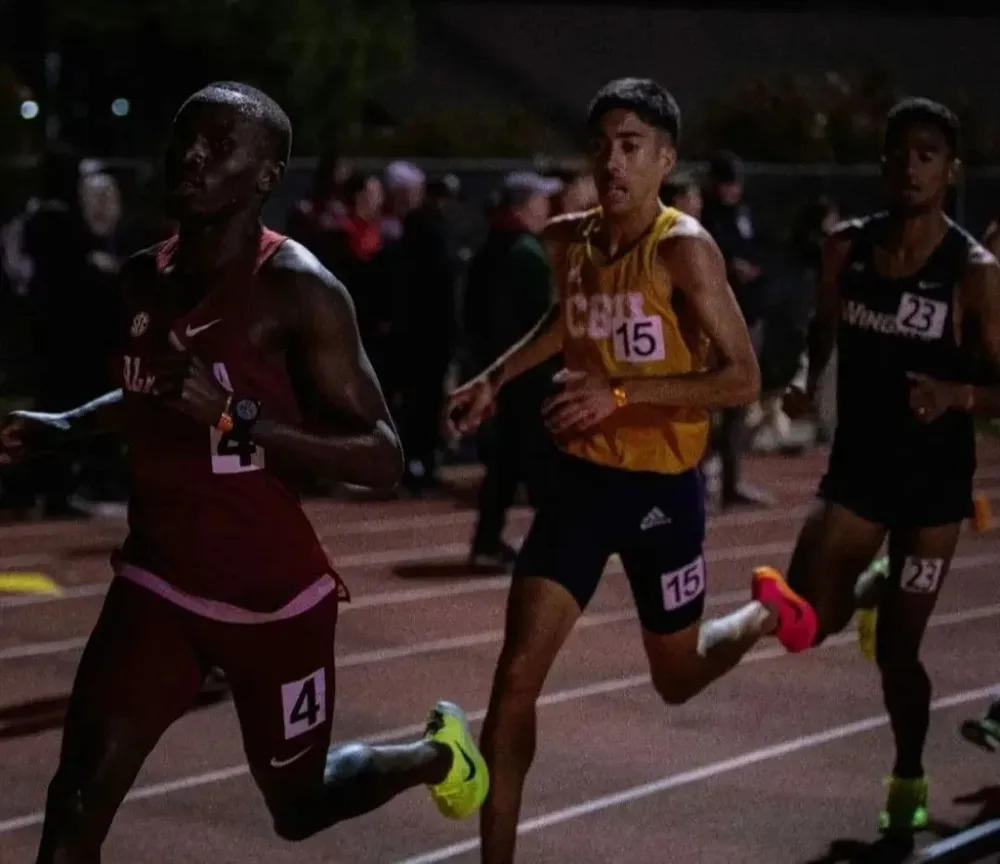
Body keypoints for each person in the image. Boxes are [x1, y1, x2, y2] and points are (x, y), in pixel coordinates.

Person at [0, 82, 488, 862]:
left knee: (300, 807)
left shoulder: (299, 289)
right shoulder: (143, 279)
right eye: (185, 138)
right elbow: (151, 396)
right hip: (157, 583)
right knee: (76, 801)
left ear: (267, 175)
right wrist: (67, 425)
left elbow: (382, 455)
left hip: (272, 599)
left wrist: (235, 414)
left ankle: (438, 754)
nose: (192, 157)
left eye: (220, 145)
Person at [444, 76, 817, 864]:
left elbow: (742, 378)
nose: (612, 162)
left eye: (631, 146)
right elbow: (567, 319)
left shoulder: (684, 249)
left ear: (664, 160)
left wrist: (619, 393)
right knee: (515, 680)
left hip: (662, 494)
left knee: (675, 679)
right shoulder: (567, 239)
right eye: (602, 146)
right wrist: (495, 377)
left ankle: (760, 615)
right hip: (580, 486)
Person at [777, 97, 1000, 836]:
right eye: (900, 153)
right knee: (808, 619)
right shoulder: (845, 249)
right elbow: (822, 329)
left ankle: (908, 769)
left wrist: (957, 394)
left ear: (951, 170)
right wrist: (809, 382)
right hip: (859, 469)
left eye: (927, 155)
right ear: (882, 164)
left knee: (901, 652)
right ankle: (866, 590)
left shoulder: (974, 273)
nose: (912, 167)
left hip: (934, 488)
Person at [462, 171, 563, 568]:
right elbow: (544, 322)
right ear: (522, 207)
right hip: (529, 376)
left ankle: (487, 541)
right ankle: (550, 547)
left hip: (498, 372)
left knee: (506, 463)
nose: (547, 207)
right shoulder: (526, 253)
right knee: (543, 463)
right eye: (540, 201)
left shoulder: (489, 247)